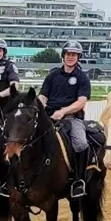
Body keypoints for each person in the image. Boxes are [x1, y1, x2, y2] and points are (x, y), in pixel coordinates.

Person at [39, 40, 91, 198]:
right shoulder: (53, 75)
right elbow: (43, 96)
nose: (70, 57)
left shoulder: (82, 77)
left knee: (81, 143)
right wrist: (39, 108)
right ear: (63, 56)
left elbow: (81, 102)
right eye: (68, 54)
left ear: (78, 57)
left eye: (74, 55)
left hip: (72, 118)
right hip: (50, 116)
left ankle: (78, 180)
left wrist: (63, 112)